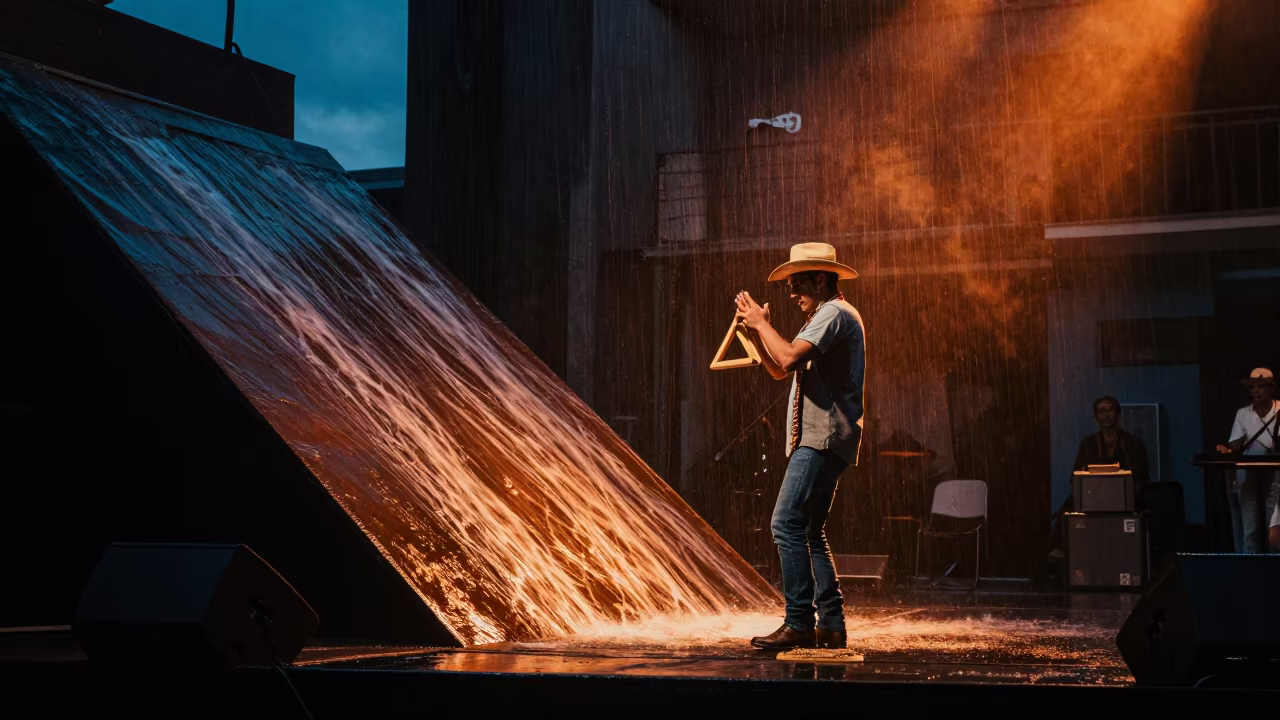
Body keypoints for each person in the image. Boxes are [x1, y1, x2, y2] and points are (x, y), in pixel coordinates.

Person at [734, 242, 864, 651]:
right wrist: (758, 331)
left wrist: (762, 323)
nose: (793, 293)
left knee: (784, 523)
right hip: (827, 437)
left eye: (798, 284)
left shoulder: (833, 314)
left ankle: (799, 622)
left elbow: (788, 357)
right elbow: (779, 369)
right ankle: (831, 624)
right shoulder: (824, 318)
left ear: (820, 279)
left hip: (821, 437)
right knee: (810, 531)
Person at [1045, 397, 1151, 571]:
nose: (1106, 415)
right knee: (1068, 506)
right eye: (1101, 411)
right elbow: (1077, 472)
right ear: (1096, 416)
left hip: (1124, 495)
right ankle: (1060, 550)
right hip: (1093, 495)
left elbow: (1141, 473)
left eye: (1109, 410)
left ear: (1117, 414)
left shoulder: (1132, 443)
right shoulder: (1089, 443)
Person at [1215, 368, 1279, 554]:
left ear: (1271, 389)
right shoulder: (1243, 413)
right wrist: (1227, 449)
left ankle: (1274, 573)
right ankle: (1248, 572)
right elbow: (1234, 444)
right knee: (1249, 529)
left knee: (1273, 529)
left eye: (1260, 387)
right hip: (1248, 471)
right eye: (1252, 387)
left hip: (1274, 472)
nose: (1256, 391)